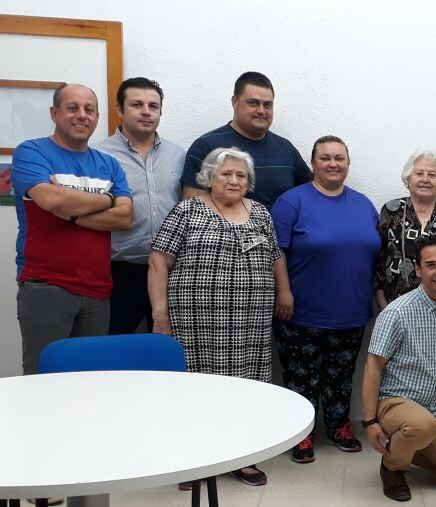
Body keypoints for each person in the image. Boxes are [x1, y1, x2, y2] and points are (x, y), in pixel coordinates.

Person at [149, 147, 290, 487]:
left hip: (249, 325)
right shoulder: (188, 210)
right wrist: (159, 313)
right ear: (209, 177)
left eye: (241, 175)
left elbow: (275, 257)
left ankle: (243, 457)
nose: (234, 180)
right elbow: (158, 261)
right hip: (197, 325)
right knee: (196, 389)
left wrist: (284, 291)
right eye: (226, 173)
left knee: (247, 389)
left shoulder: (260, 213)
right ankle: (194, 462)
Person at [271, 136, 380, 463]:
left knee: (341, 375)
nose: (333, 164)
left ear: (348, 163)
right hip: (301, 312)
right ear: (313, 163)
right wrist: (283, 291)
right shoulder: (291, 202)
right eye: (325, 158)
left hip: (351, 311)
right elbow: (276, 251)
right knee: (301, 377)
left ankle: (338, 427)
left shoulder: (363, 204)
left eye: (339, 158)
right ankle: (301, 434)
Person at [13, 84, 133, 376]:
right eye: (73, 108)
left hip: (98, 291)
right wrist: (106, 199)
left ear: (97, 117)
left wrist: (71, 214)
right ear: (55, 113)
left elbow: (125, 217)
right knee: (44, 377)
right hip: (47, 287)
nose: (82, 115)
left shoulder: (109, 164)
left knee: (90, 378)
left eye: (89, 110)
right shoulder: (32, 152)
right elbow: (50, 198)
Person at [362, 235, 436, 502]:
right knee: (421, 425)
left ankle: (408, 445)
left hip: (434, 409)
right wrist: (370, 421)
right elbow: (373, 365)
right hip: (394, 403)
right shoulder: (397, 312)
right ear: (418, 270)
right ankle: (392, 467)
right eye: (431, 265)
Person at [95, 77, 186, 334]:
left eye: (153, 106)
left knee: (166, 349)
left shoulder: (178, 155)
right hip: (119, 273)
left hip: (170, 272)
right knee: (114, 347)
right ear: (120, 110)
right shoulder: (99, 155)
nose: (146, 111)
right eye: (137, 104)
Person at [180, 71, 311, 207]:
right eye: (253, 103)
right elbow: (192, 211)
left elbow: (313, 193)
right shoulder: (206, 147)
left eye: (268, 105)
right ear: (235, 102)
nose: (261, 110)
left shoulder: (286, 149)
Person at [375, 149, 436, 308]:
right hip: (397, 307)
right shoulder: (391, 210)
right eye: (419, 173)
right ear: (408, 178)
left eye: (432, 175)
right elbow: (379, 261)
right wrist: (383, 306)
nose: (425, 179)